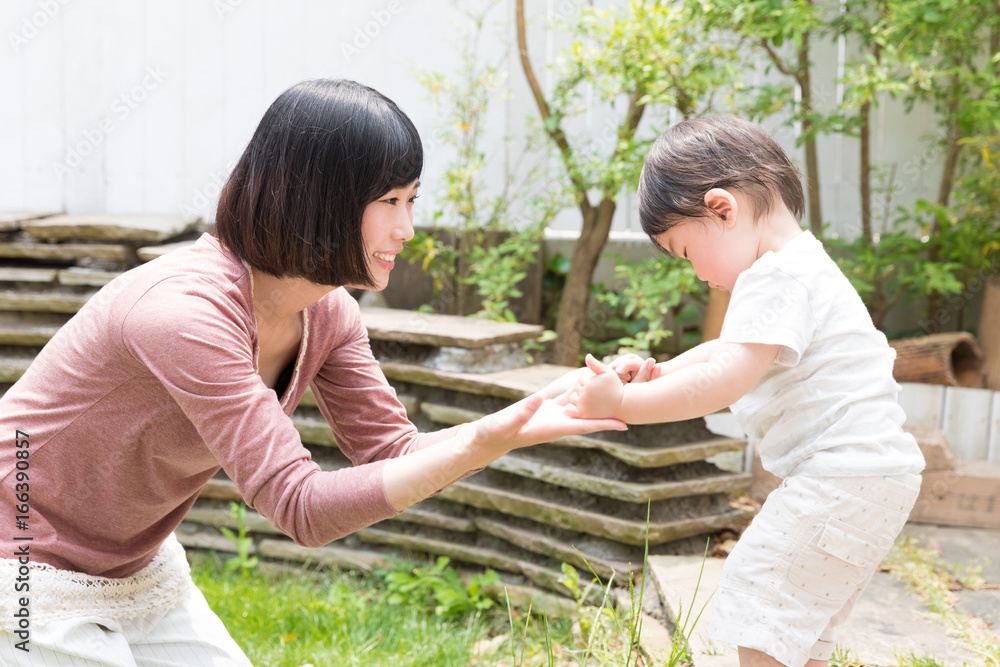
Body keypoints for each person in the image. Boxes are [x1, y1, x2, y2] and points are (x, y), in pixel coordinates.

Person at [0, 79, 626, 666]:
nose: (407, 228)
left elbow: (394, 451)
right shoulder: (182, 313)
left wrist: (541, 411)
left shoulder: (327, 312)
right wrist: (479, 441)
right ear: (315, 198)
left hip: (129, 568)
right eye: (389, 202)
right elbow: (301, 508)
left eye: (411, 201)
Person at [560, 115, 925, 667]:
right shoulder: (800, 267)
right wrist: (660, 372)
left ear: (722, 209)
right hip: (872, 478)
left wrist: (621, 405)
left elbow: (724, 379)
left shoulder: (774, 277)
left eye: (685, 252)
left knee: (760, 587)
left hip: (842, 477)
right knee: (798, 627)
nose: (697, 274)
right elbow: (723, 354)